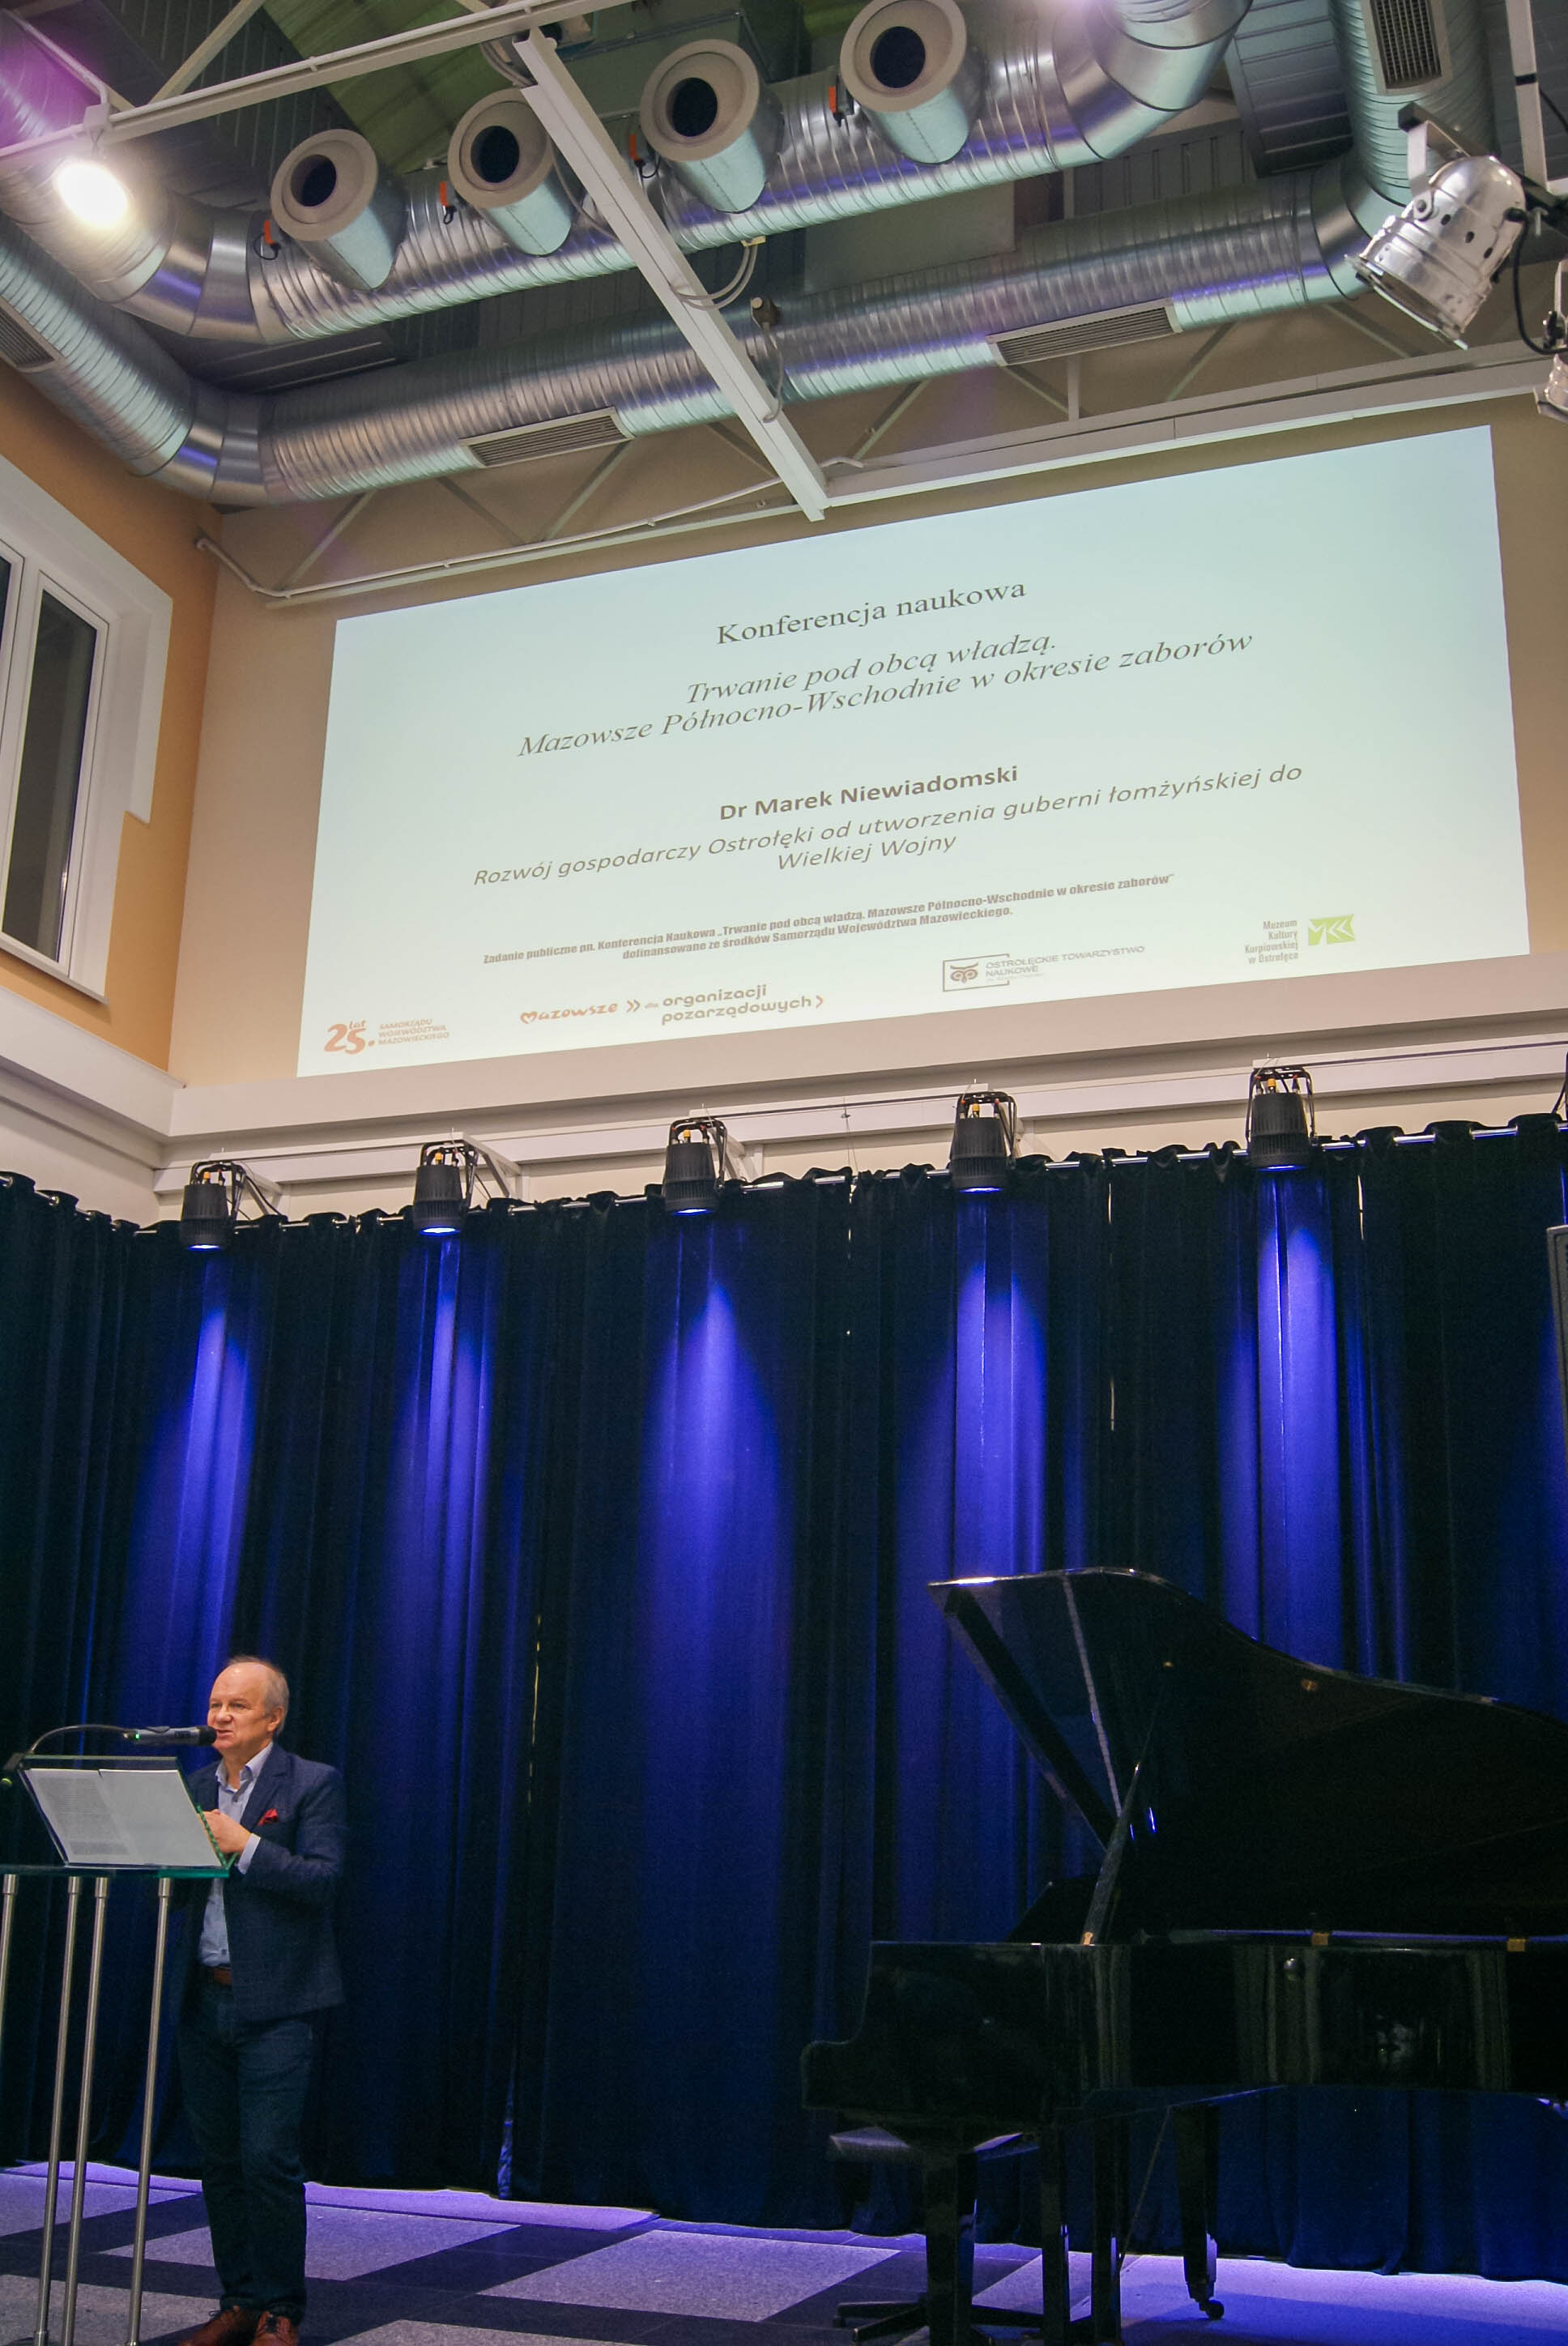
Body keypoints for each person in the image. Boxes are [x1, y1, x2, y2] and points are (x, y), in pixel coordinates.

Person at [173, 1657, 347, 2346]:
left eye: (237, 1706)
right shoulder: (193, 1786)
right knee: (218, 2162)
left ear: (272, 1719)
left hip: (277, 2005)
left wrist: (245, 1845)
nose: (219, 1717)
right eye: (216, 1704)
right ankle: (239, 2299)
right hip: (201, 1998)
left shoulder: (312, 1783)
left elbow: (322, 1880)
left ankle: (281, 2308)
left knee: (267, 2161)